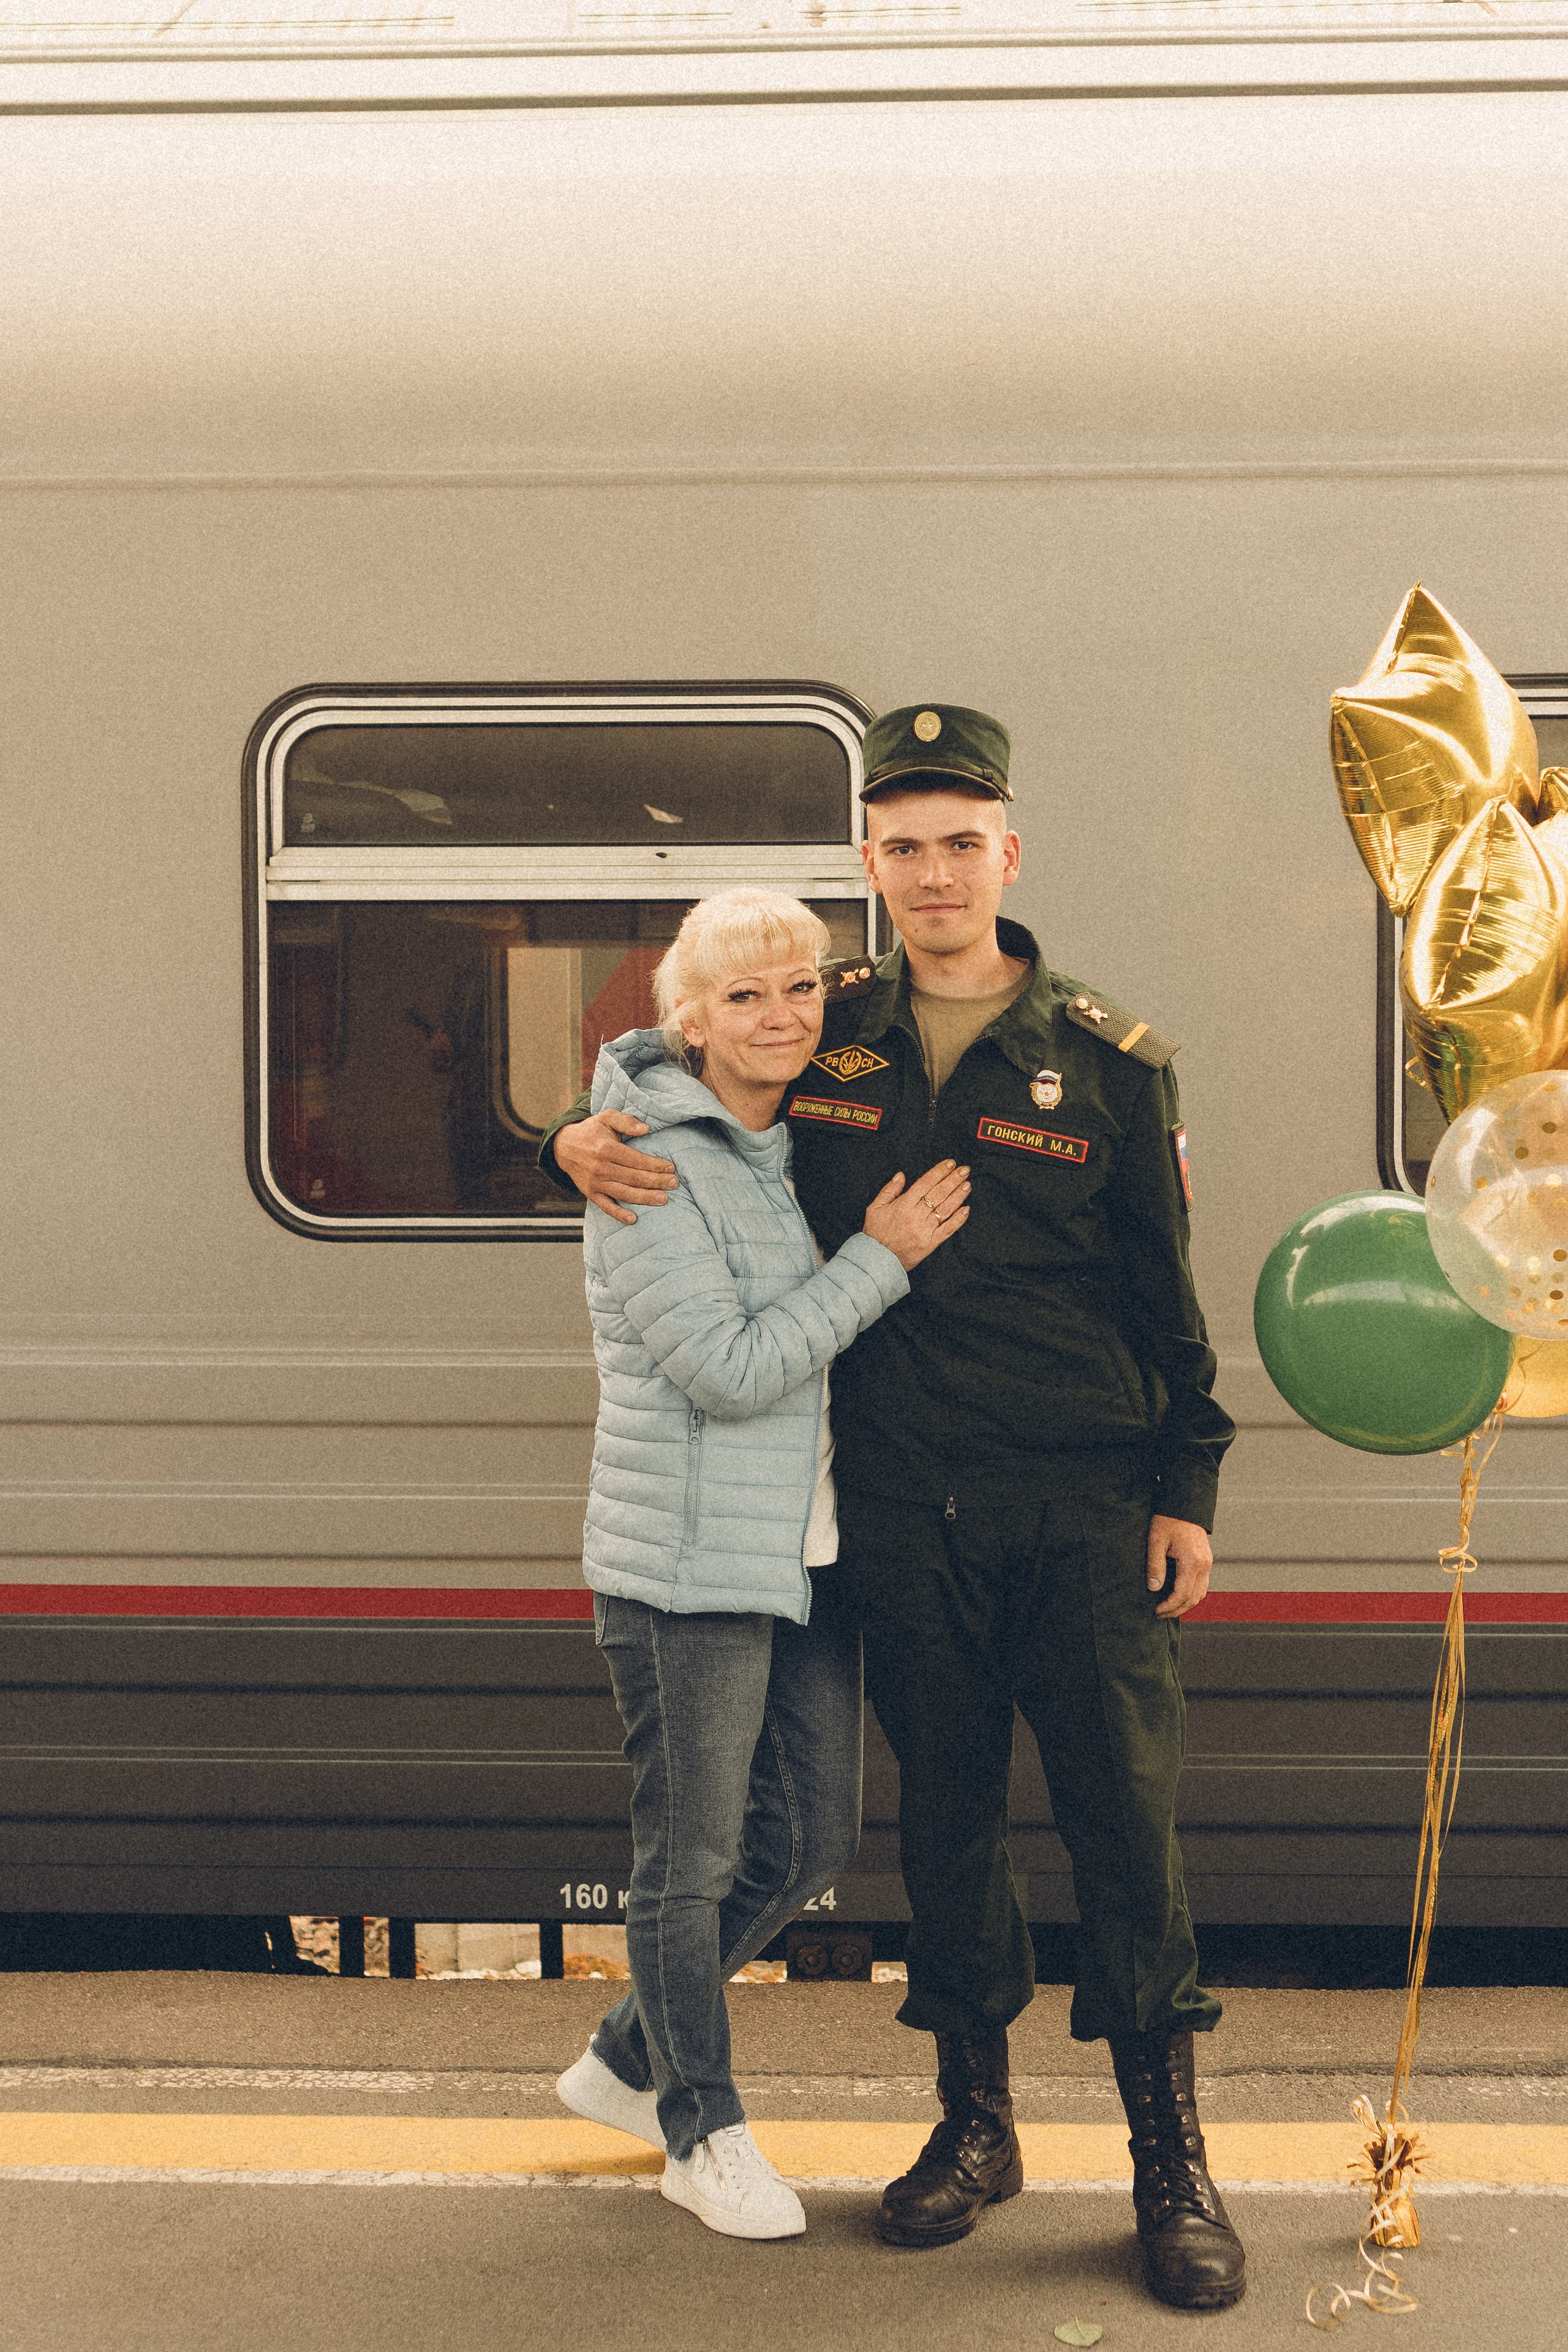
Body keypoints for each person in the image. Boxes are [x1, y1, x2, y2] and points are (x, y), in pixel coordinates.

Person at [541, 708, 1246, 2312]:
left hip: (1078, 1507)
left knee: (1124, 1837)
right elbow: (678, 1079)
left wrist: (1186, 1486)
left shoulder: (1115, 1060)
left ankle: (1169, 2164)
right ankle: (975, 2129)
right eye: (903, 842)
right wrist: (568, 1137)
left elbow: (1164, 1297)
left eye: (962, 838)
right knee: (946, 1837)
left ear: (1010, 851)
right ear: (871, 864)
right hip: (898, 1520)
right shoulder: (827, 1027)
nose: (933, 871)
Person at [553, 884, 970, 2244]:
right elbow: (728, 1372)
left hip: (797, 1553)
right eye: (743, 995)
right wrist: (879, 1261)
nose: (780, 1013)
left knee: (808, 1840)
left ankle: (624, 2060)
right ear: (688, 1019)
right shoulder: (643, 1163)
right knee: (689, 1862)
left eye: (798, 986)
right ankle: (699, 2132)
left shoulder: (787, 1135)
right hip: (684, 1568)